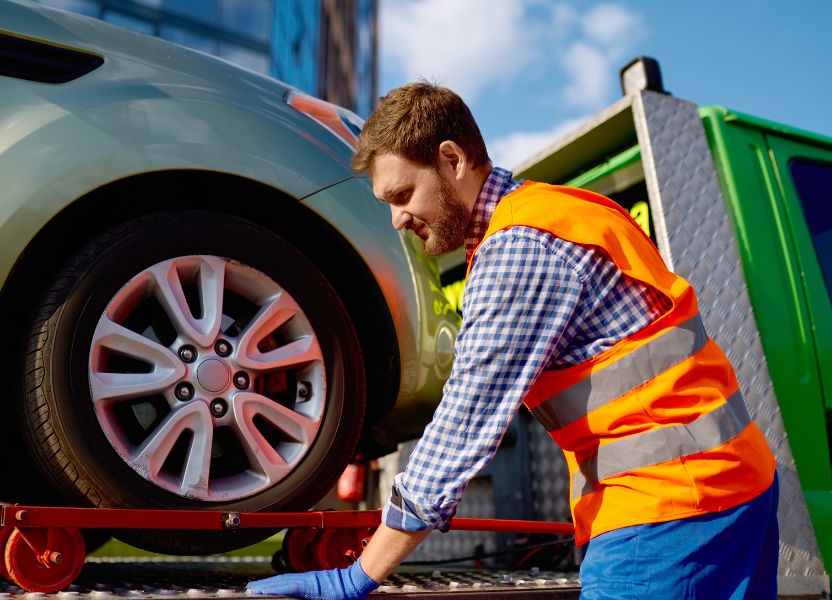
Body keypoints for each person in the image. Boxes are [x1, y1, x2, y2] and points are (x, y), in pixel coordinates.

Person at [248, 82, 778, 600]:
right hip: (734, 483)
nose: (397, 220)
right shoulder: (558, 211)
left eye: (403, 194)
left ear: (452, 159)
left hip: (672, 509)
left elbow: (464, 422)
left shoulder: (519, 250)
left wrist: (359, 574)